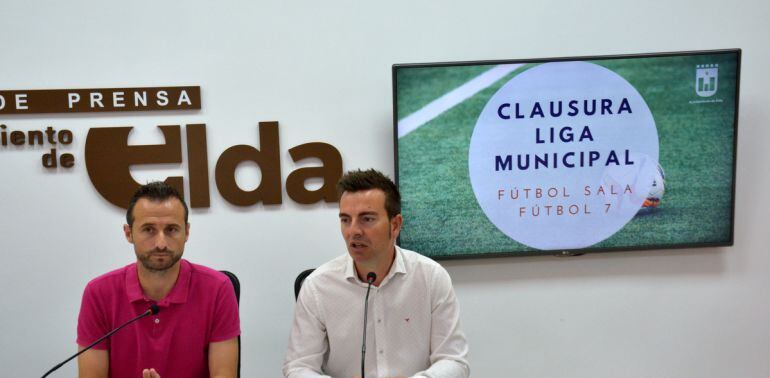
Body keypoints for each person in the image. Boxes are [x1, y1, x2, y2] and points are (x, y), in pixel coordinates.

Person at [284, 169, 469, 378]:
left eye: (367, 219)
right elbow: (298, 367)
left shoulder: (431, 277)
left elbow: (453, 360)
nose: (353, 231)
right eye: (345, 219)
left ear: (395, 224)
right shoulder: (318, 286)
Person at [76, 181, 240, 378]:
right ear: (129, 233)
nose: (161, 243)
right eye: (149, 230)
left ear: (187, 232)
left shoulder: (218, 289)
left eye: (171, 229)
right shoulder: (99, 294)